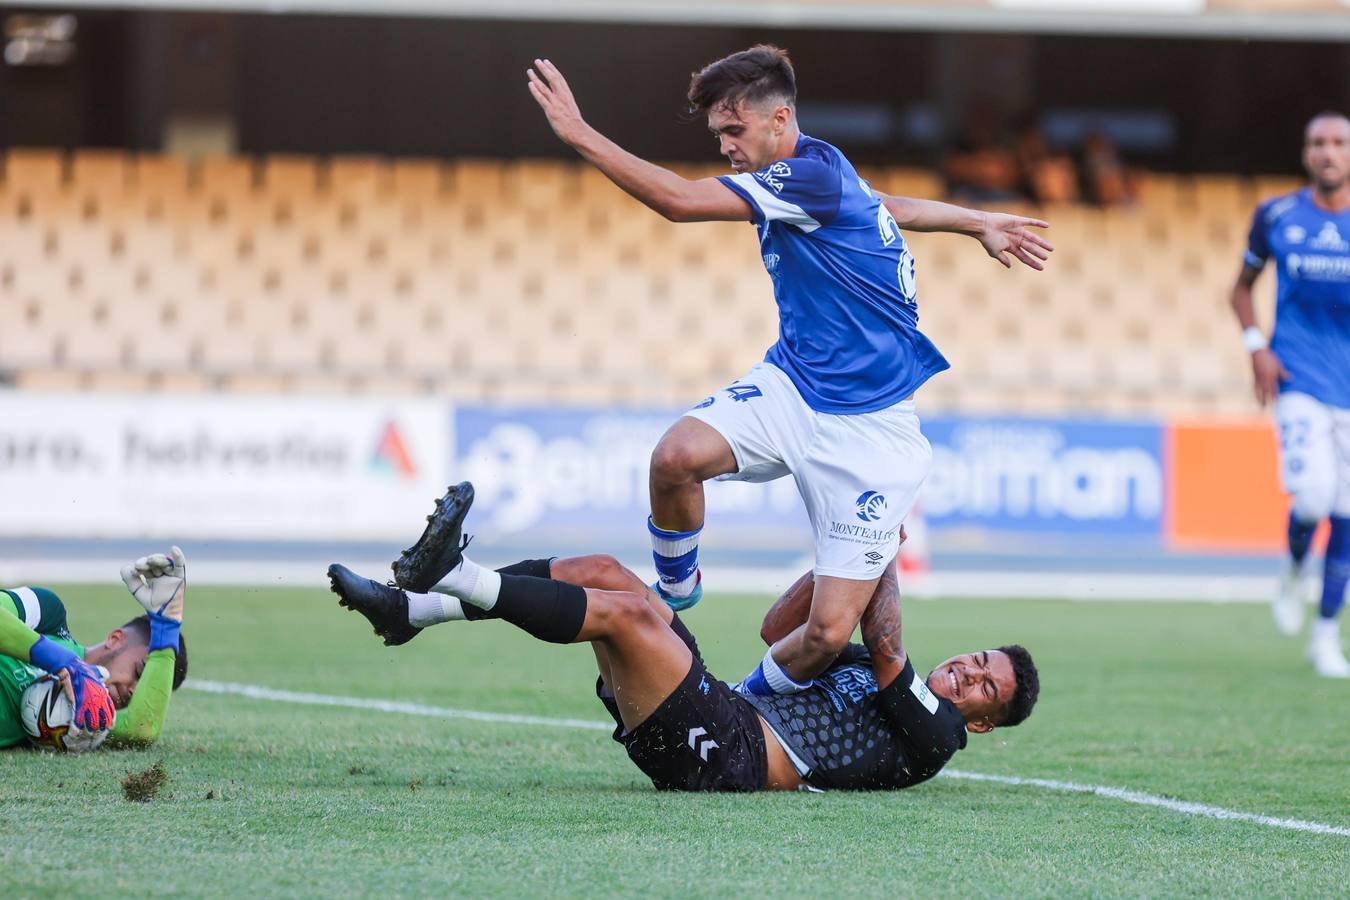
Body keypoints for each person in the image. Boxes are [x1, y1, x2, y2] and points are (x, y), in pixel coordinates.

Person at [527, 46, 1052, 699]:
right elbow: (886, 202)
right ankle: (675, 595)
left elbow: (678, 201)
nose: (724, 145)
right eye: (717, 132)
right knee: (674, 460)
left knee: (827, 635)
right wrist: (976, 221)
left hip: (868, 427)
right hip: (796, 382)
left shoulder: (810, 177)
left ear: (779, 120)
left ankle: (741, 706)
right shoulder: (824, 164)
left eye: (734, 130)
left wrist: (578, 133)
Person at [332, 484, 1040, 792]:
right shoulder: (864, 666)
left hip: (727, 761)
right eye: (975, 661)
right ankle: (415, 610)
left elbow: (888, 647)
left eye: (984, 688)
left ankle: (453, 572)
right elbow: (778, 631)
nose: (966, 676)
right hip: (723, 712)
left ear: (983, 720)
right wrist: (843, 556)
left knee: (627, 617)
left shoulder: (938, 735)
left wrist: (877, 545)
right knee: (606, 572)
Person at [1230, 111, 1350, 678]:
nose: (1328, 152)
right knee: (1313, 499)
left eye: (1338, 143)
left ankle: (1325, 637)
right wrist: (1257, 346)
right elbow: (1241, 289)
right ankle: (1293, 570)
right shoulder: (1277, 214)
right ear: (1306, 155)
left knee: (1347, 517)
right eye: (1318, 143)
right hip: (1299, 378)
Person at [1, 548, 190, 749]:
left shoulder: (85, 725)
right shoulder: (50, 615)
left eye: (143, 690)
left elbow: (141, 732)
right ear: (116, 639)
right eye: (138, 672)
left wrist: (166, 625)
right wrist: (64, 663)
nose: (134, 691)